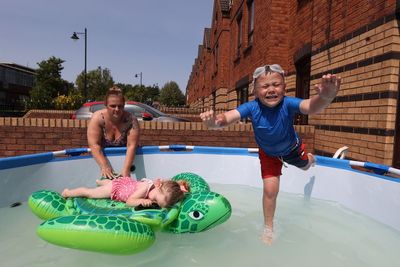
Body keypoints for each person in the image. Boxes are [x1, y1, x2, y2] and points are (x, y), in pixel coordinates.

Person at [200, 64, 341, 245]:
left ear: (284, 86)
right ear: (255, 90)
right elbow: (228, 117)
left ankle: (311, 158)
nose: (271, 89)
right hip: (268, 154)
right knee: (270, 190)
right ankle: (268, 227)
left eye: (276, 84)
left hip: (292, 149)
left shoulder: (288, 104)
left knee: (306, 166)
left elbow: (310, 106)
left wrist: (325, 96)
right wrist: (214, 123)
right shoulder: (251, 107)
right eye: (265, 86)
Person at [88, 86, 140, 179]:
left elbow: (131, 146)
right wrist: (104, 165)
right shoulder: (97, 118)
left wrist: (126, 169)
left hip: (125, 160)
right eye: (112, 106)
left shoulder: (131, 120)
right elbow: (94, 145)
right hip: (103, 159)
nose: (116, 109)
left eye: (120, 106)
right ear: (105, 104)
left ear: (124, 105)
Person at [62, 177, 189, 208]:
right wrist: (142, 201)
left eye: (156, 202)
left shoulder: (161, 192)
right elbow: (129, 202)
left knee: (108, 183)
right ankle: (68, 193)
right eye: (154, 198)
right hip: (117, 189)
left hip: (126, 184)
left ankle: (101, 181)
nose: (153, 201)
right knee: (90, 193)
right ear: (157, 185)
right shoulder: (146, 188)